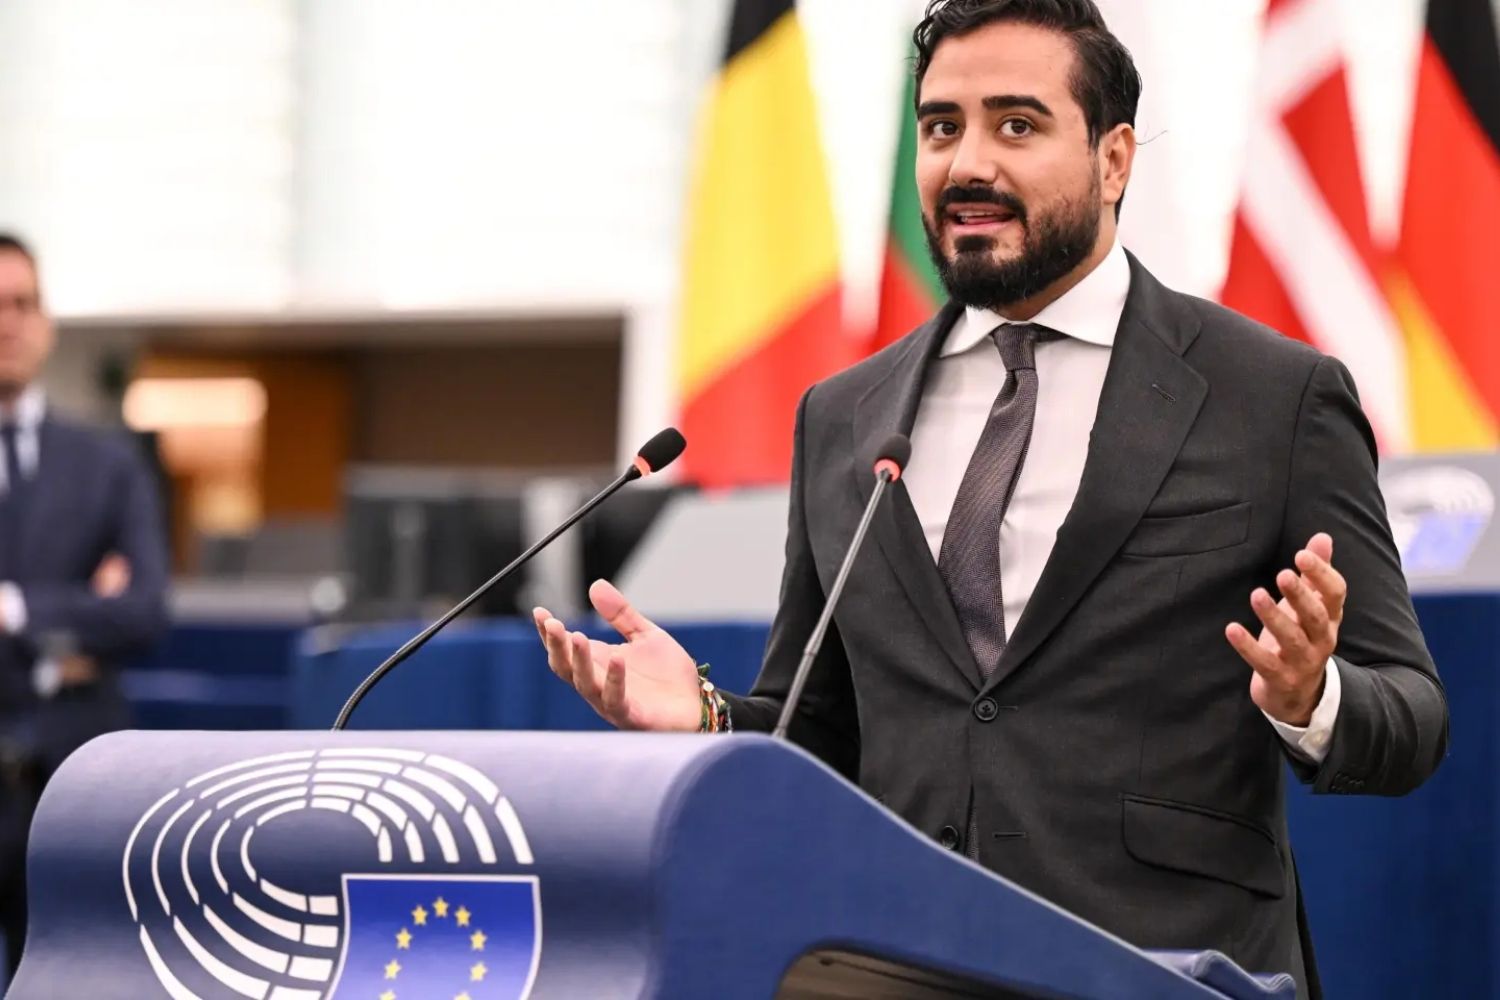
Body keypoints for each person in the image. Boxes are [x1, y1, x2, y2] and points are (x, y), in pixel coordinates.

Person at [532, 2, 1447, 995]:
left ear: (1114, 159)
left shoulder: (1272, 396)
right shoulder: (844, 416)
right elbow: (824, 732)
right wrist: (711, 716)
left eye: (1017, 125)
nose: (969, 163)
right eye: (941, 127)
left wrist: (1311, 697)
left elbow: (1412, 718)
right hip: (893, 960)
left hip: (1165, 969)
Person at [0, 232, 170, 972]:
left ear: (47, 322)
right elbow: (108, 611)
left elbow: (143, 612)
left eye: (22, 303)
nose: (8, 321)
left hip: (72, 792)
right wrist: (78, 615)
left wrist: (13, 611)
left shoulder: (108, 466)